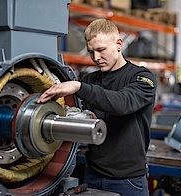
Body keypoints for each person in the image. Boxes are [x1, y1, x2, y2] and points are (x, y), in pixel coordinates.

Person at [37, 19, 157, 196]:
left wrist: (78, 87)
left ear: (118, 44)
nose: (96, 58)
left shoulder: (142, 78)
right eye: (91, 52)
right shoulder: (90, 80)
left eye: (101, 50)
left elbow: (122, 103)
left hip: (128, 181)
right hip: (92, 176)